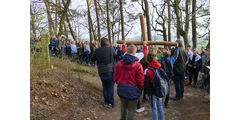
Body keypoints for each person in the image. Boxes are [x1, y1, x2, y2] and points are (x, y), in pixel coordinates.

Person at [114, 44, 144, 120]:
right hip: (133, 90)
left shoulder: (119, 63)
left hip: (122, 89)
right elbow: (140, 80)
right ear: (135, 53)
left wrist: (119, 83)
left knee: (123, 106)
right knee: (131, 109)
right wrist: (141, 88)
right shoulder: (138, 65)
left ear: (127, 51)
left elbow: (115, 77)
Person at [91, 38, 116, 108]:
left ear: (101, 43)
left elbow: (92, 59)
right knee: (110, 87)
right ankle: (111, 103)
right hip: (110, 70)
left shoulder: (97, 50)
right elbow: (116, 56)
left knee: (105, 87)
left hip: (101, 71)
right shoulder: (111, 49)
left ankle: (106, 102)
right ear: (107, 42)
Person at [144, 51, 165, 120]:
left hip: (152, 91)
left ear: (148, 60)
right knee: (160, 106)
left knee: (154, 108)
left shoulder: (147, 70)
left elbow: (146, 84)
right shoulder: (159, 66)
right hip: (160, 89)